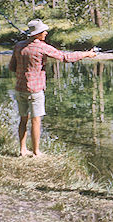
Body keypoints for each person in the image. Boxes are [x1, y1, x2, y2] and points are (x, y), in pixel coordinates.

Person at [9, 19, 96, 157]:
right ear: (37, 34)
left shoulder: (18, 46)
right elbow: (65, 57)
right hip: (35, 90)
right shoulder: (42, 47)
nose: (46, 33)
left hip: (20, 89)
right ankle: (36, 152)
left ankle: (22, 150)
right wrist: (86, 54)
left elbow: (11, 67)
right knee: (36, 120)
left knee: (23, 119)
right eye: (43, 31)